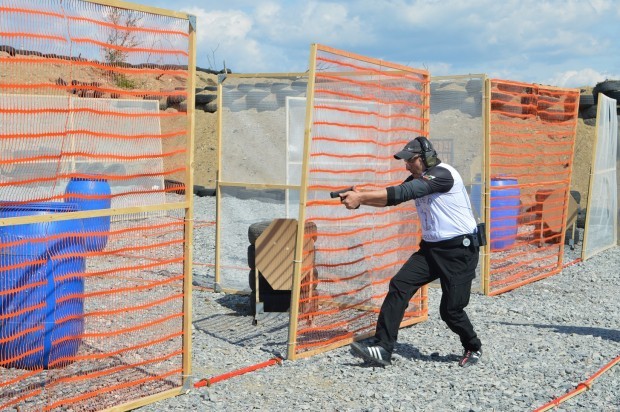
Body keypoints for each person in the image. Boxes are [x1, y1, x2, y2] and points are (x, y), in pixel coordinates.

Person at [339, 136, 482, 367]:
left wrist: (362, 197)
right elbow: (392, 198)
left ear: (426, 158)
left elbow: (401, 193)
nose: (407, 165)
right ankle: (383, 347)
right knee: (399, 285)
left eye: (411, 160)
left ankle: (473, 346)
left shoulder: (443, 175)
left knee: (451, 311)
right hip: (431, 250)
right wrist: (360, 197)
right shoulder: (420, 177)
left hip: (459, 252)